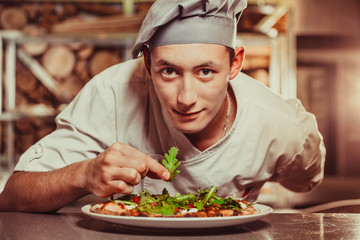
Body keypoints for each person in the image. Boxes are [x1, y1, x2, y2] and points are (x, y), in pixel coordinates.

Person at [0, 0, 325, 212]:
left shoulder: (282, 127)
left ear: (235, 64)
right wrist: (85, 174)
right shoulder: (112, 94)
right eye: (168, 71)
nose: (186, 98)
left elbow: (305, 179)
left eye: (205, 72)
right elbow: (12, 198)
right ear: (147, 63)